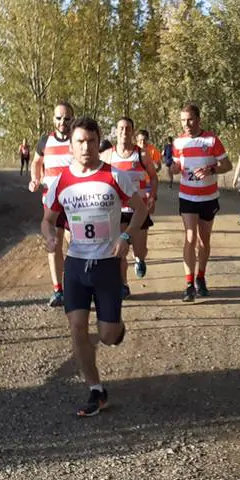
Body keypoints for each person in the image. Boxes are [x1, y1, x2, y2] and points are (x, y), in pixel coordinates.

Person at [41, 117, 148, 417]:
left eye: (90, 141)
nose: (85, 146)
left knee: (107, 336)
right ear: (71, 145)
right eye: (79, 141)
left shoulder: (115, 176)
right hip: (75, 265)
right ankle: (95, 389)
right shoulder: (62, 180)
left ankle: (115, 330)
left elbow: (140, 209)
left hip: (107, 266)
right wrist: (49, 236)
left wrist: (126, 235)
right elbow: (48, 219)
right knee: (77, 329)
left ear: (99, 141)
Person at [170, 103, 231, 302]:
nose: (186, 124)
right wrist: (172, 168)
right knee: (190, 237)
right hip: (187, 196)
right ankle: (188, 284)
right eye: (182, 120)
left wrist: (211, 170)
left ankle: (201, 277)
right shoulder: (178, 142)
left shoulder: (211, 140)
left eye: (189, 119)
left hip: (208, 197)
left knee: (204, 240)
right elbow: (176, 166)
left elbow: (227, 165)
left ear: (198, 120)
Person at [102, 117, 159, 297]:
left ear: (132, 132)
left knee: (140, 249)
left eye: (127, 129)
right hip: (117, 211)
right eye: (120, 129)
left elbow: (153, 176)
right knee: (120, 250)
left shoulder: (141, 154)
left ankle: (140, 259)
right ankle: (123, 285)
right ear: (116, 131)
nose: (124, 132)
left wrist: (152, 197)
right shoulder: (108, 155)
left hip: (139, 210)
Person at [29, 102, 75, 307]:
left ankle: (78, 286)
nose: (62, 122)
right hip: (51, 201)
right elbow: (36, 162)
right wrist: (35, 179)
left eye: (66, 118)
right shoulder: (45, 141)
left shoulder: (77, 139)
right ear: (53, 119)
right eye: (58, 118)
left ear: (72, 119)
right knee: (53, 244)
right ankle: (58, 291)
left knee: (75, 244)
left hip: (75, 201)